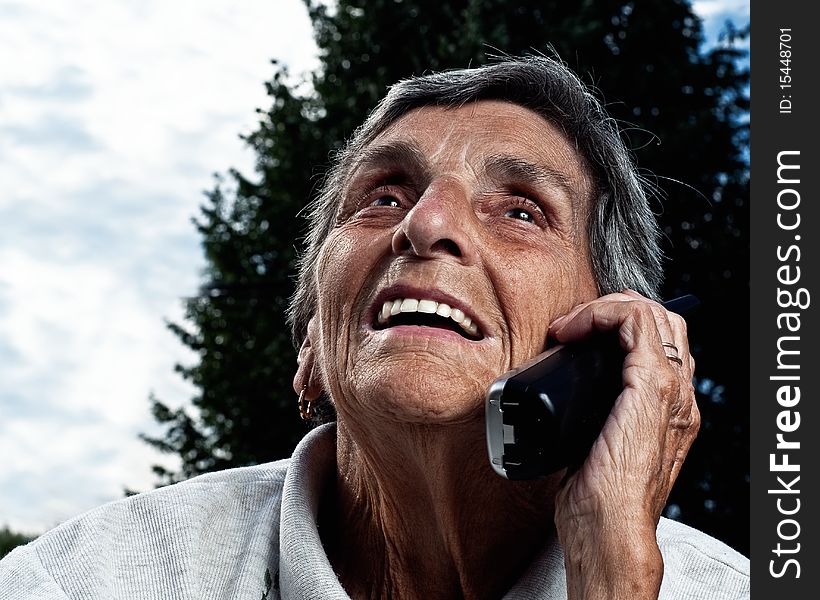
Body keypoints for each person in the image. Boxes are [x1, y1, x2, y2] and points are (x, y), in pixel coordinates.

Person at [0, 56, 749, 599]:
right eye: (383, 196)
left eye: (521, 209)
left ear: (611, 344)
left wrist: (611, 583)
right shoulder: (82, 582)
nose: (426, 226)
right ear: (312, 347)